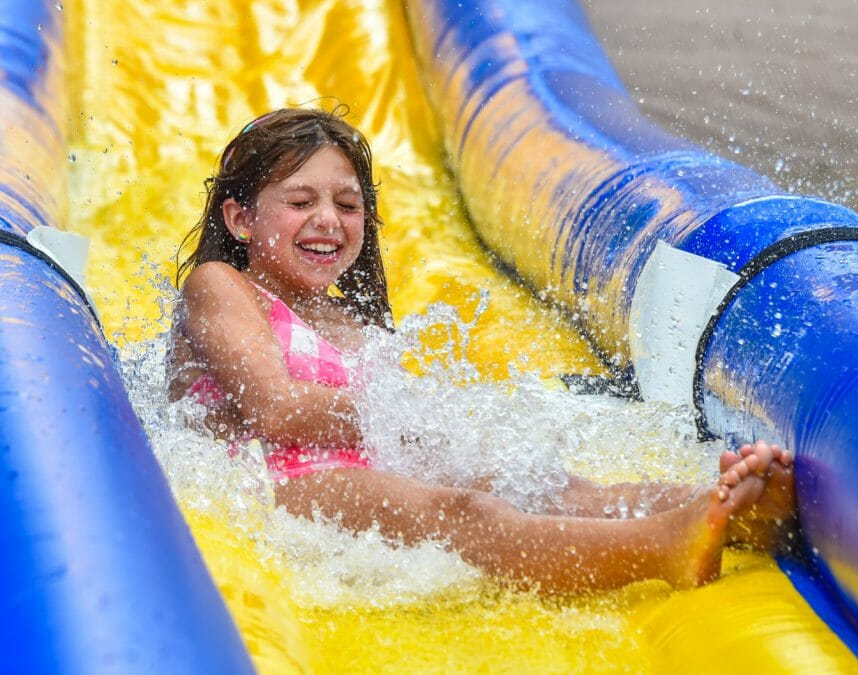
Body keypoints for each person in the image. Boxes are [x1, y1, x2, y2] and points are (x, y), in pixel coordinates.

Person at [169, 106, 796, 594]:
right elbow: (275, 412)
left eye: (349, 204)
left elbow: (383, 428)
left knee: (541, 483)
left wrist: (444, 432)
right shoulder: (221, 287)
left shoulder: (350, 324)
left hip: (348, 473)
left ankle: (730, 513)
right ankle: (661, 547)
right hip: (269, 485)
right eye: (301, 202)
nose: (329, 220)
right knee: (465, 510)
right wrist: (403, 412)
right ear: (240, 219)